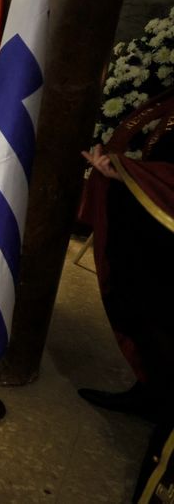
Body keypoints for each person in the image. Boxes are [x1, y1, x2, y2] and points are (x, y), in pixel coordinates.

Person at [77, 88, 173, 425]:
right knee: (135, 302)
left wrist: (133, 174)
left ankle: (162, 402)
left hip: (166, 231)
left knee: (160, 312)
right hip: (147, 219)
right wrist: (121, 172)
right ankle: (150, 389)